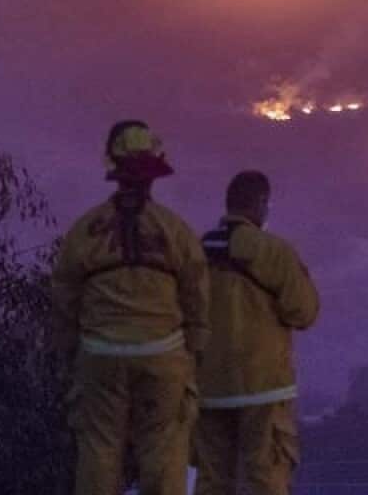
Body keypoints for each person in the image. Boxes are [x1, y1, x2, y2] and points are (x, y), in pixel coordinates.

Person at [52, 120, 209, 495]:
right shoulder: (176, 232)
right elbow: (197, 301)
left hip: (99, 355)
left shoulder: (84, 231)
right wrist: (195, 355)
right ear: (154, 173)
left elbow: (64, 299)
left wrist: (66, 353)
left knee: (99, 449)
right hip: (164, 355)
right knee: (165, 450)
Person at [193, 170, 320, 495]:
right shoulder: (273, 251)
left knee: (212, 481)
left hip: (208, 387)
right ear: (261, 203)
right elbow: (304, 312)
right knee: (267, 478)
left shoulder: (196, 253)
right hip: (265, 387)